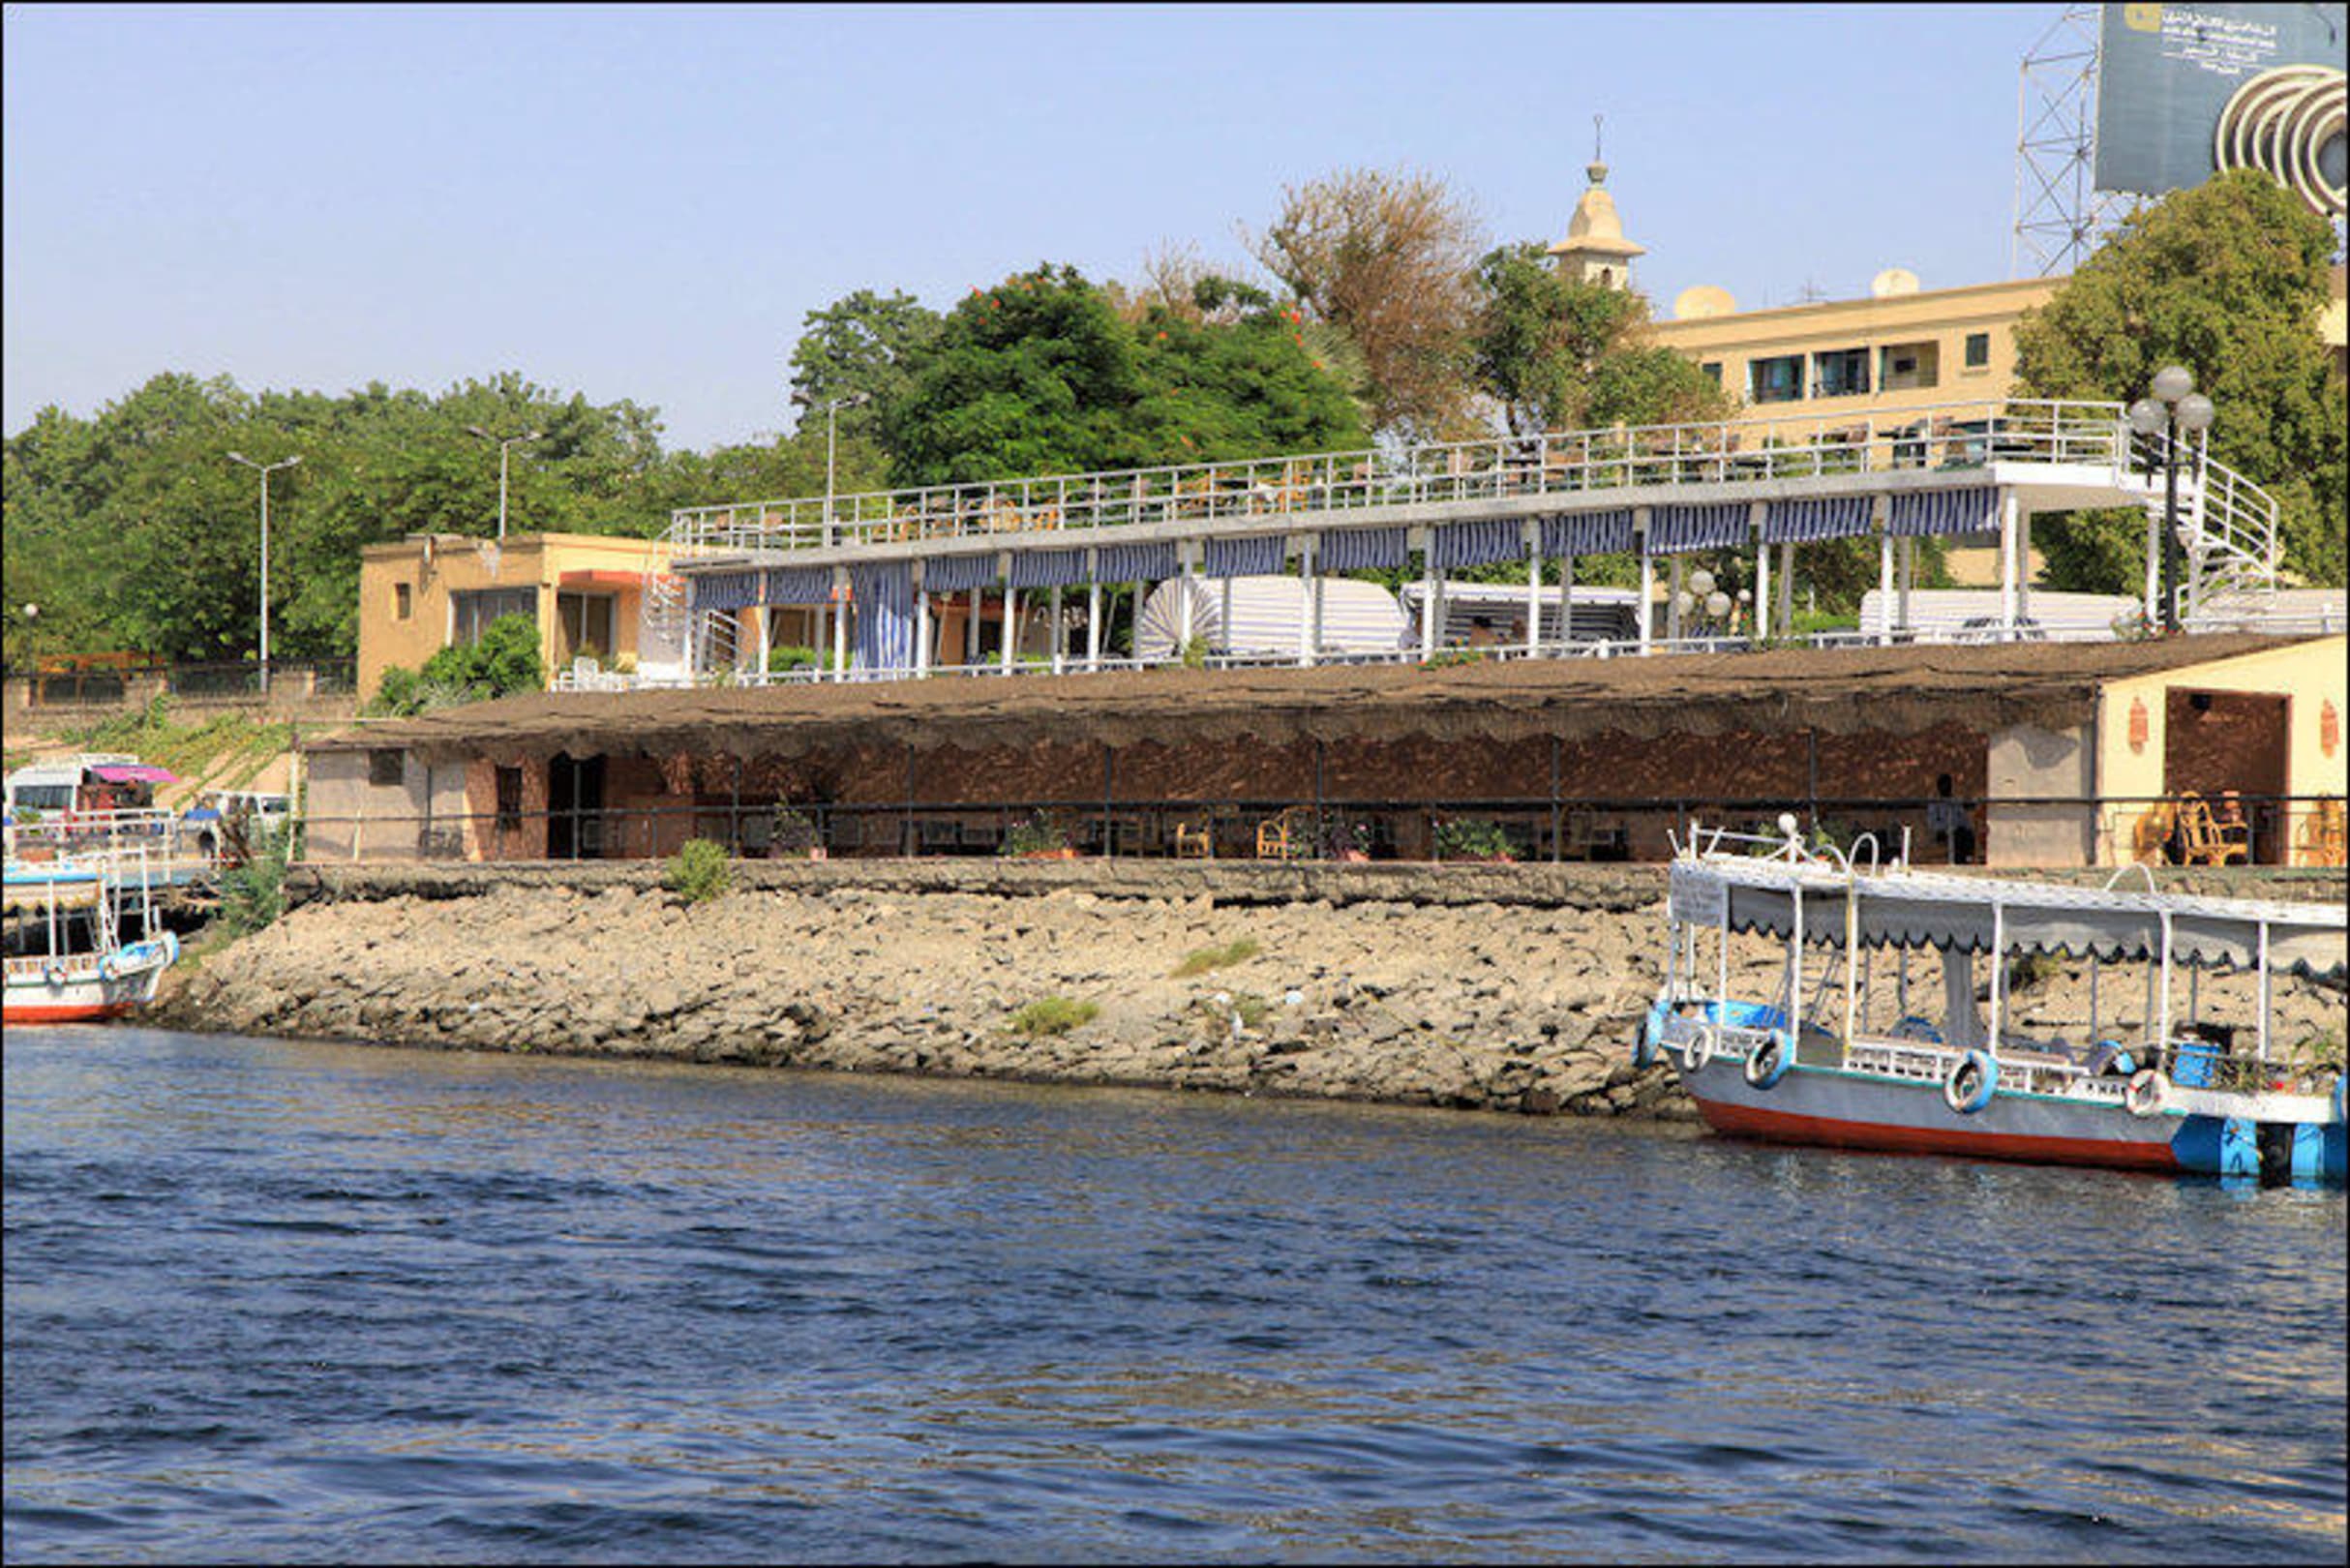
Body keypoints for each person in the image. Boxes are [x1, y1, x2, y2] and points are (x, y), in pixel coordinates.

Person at [1928, 773, 1975, 865]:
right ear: (1939, 787)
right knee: (1958, 836)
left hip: (1957, 830)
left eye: (1948, 785)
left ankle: (1966, 859)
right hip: (1943, 831)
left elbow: (1962, 818)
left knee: (1966, 834)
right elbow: (1932, 823)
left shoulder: (1955, 801)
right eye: (1943, 785)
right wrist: (1947, 828)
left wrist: (1967, 827)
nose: (1946, 788)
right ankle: (1959, 861)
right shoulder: (1935, 804)